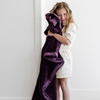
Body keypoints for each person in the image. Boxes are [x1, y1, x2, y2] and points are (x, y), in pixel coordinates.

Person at [46, 2, 78, 100]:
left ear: (68, 13)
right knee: (55, 85)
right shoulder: (57, 26)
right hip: (55, 58)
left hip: (64, 59)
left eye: (64, 14)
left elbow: (67, 41)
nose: (62, 17)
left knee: (64, 84)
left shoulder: (71, 26)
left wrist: (54, 34)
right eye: (59, 15)